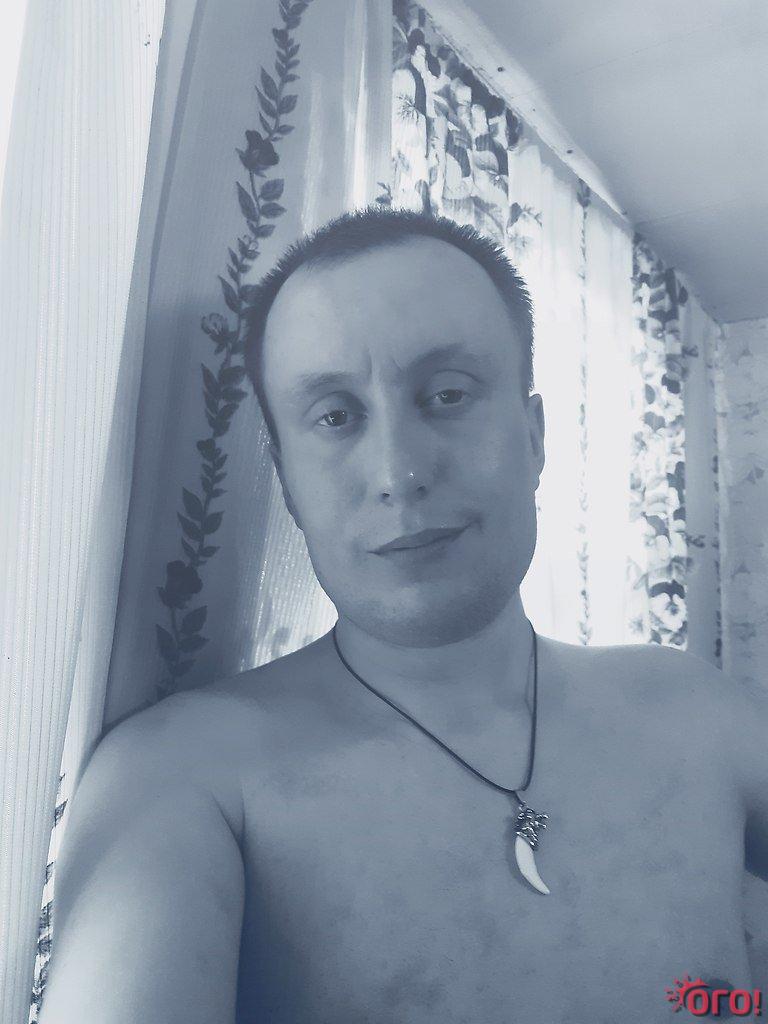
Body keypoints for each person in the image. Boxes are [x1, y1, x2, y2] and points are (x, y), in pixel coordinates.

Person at [40, 208, 768, 1024]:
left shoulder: (695, 710)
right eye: (335, 416)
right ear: (287, 483)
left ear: (533, 438)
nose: (399, 471)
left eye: (447, 395)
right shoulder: (181, 779)